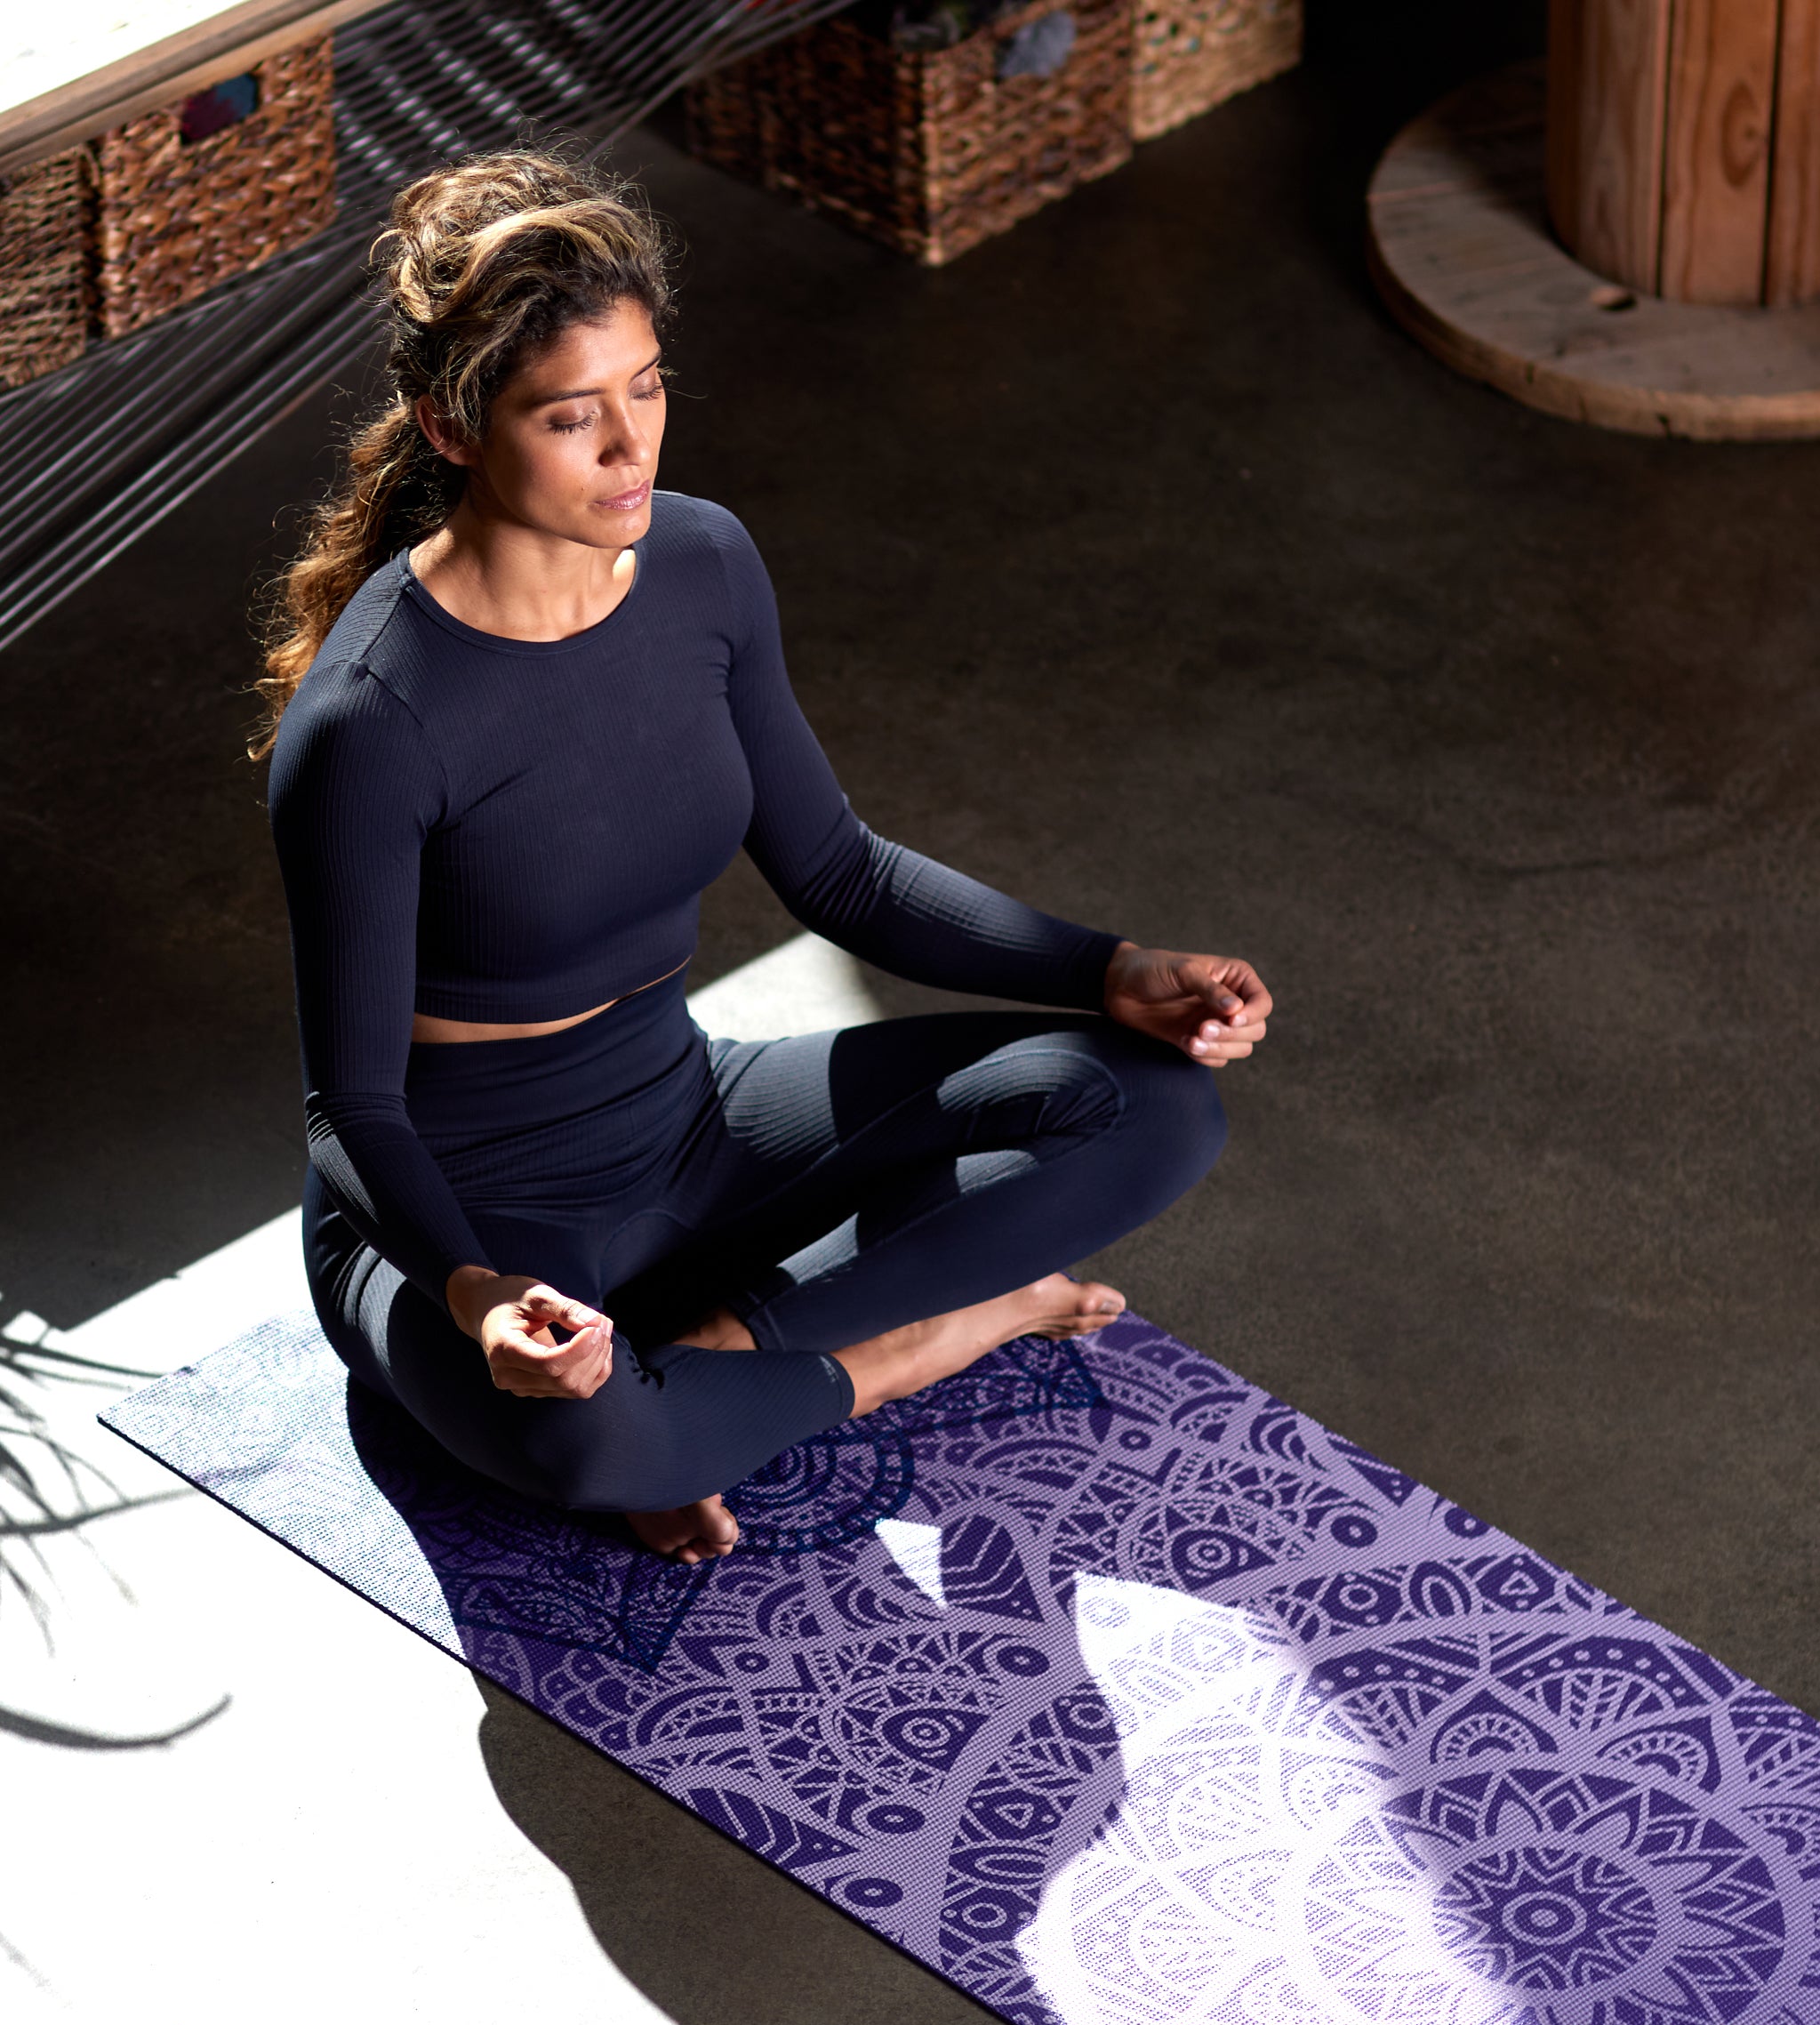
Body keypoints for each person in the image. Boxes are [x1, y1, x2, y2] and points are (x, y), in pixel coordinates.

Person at [257, 151, 1269, 1565]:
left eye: (647, 386)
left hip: (690, 1109)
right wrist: (481, 1297)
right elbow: (351, 1108)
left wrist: (1110, 969)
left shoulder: (703, 566)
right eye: (570, 415)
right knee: (589, 1435)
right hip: (465, 1201)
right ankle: (901, 1349)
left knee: (1153, 1107)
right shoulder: (375, 720)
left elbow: (842, 875)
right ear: (453, 423)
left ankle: (728, 1357)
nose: (633, 448)